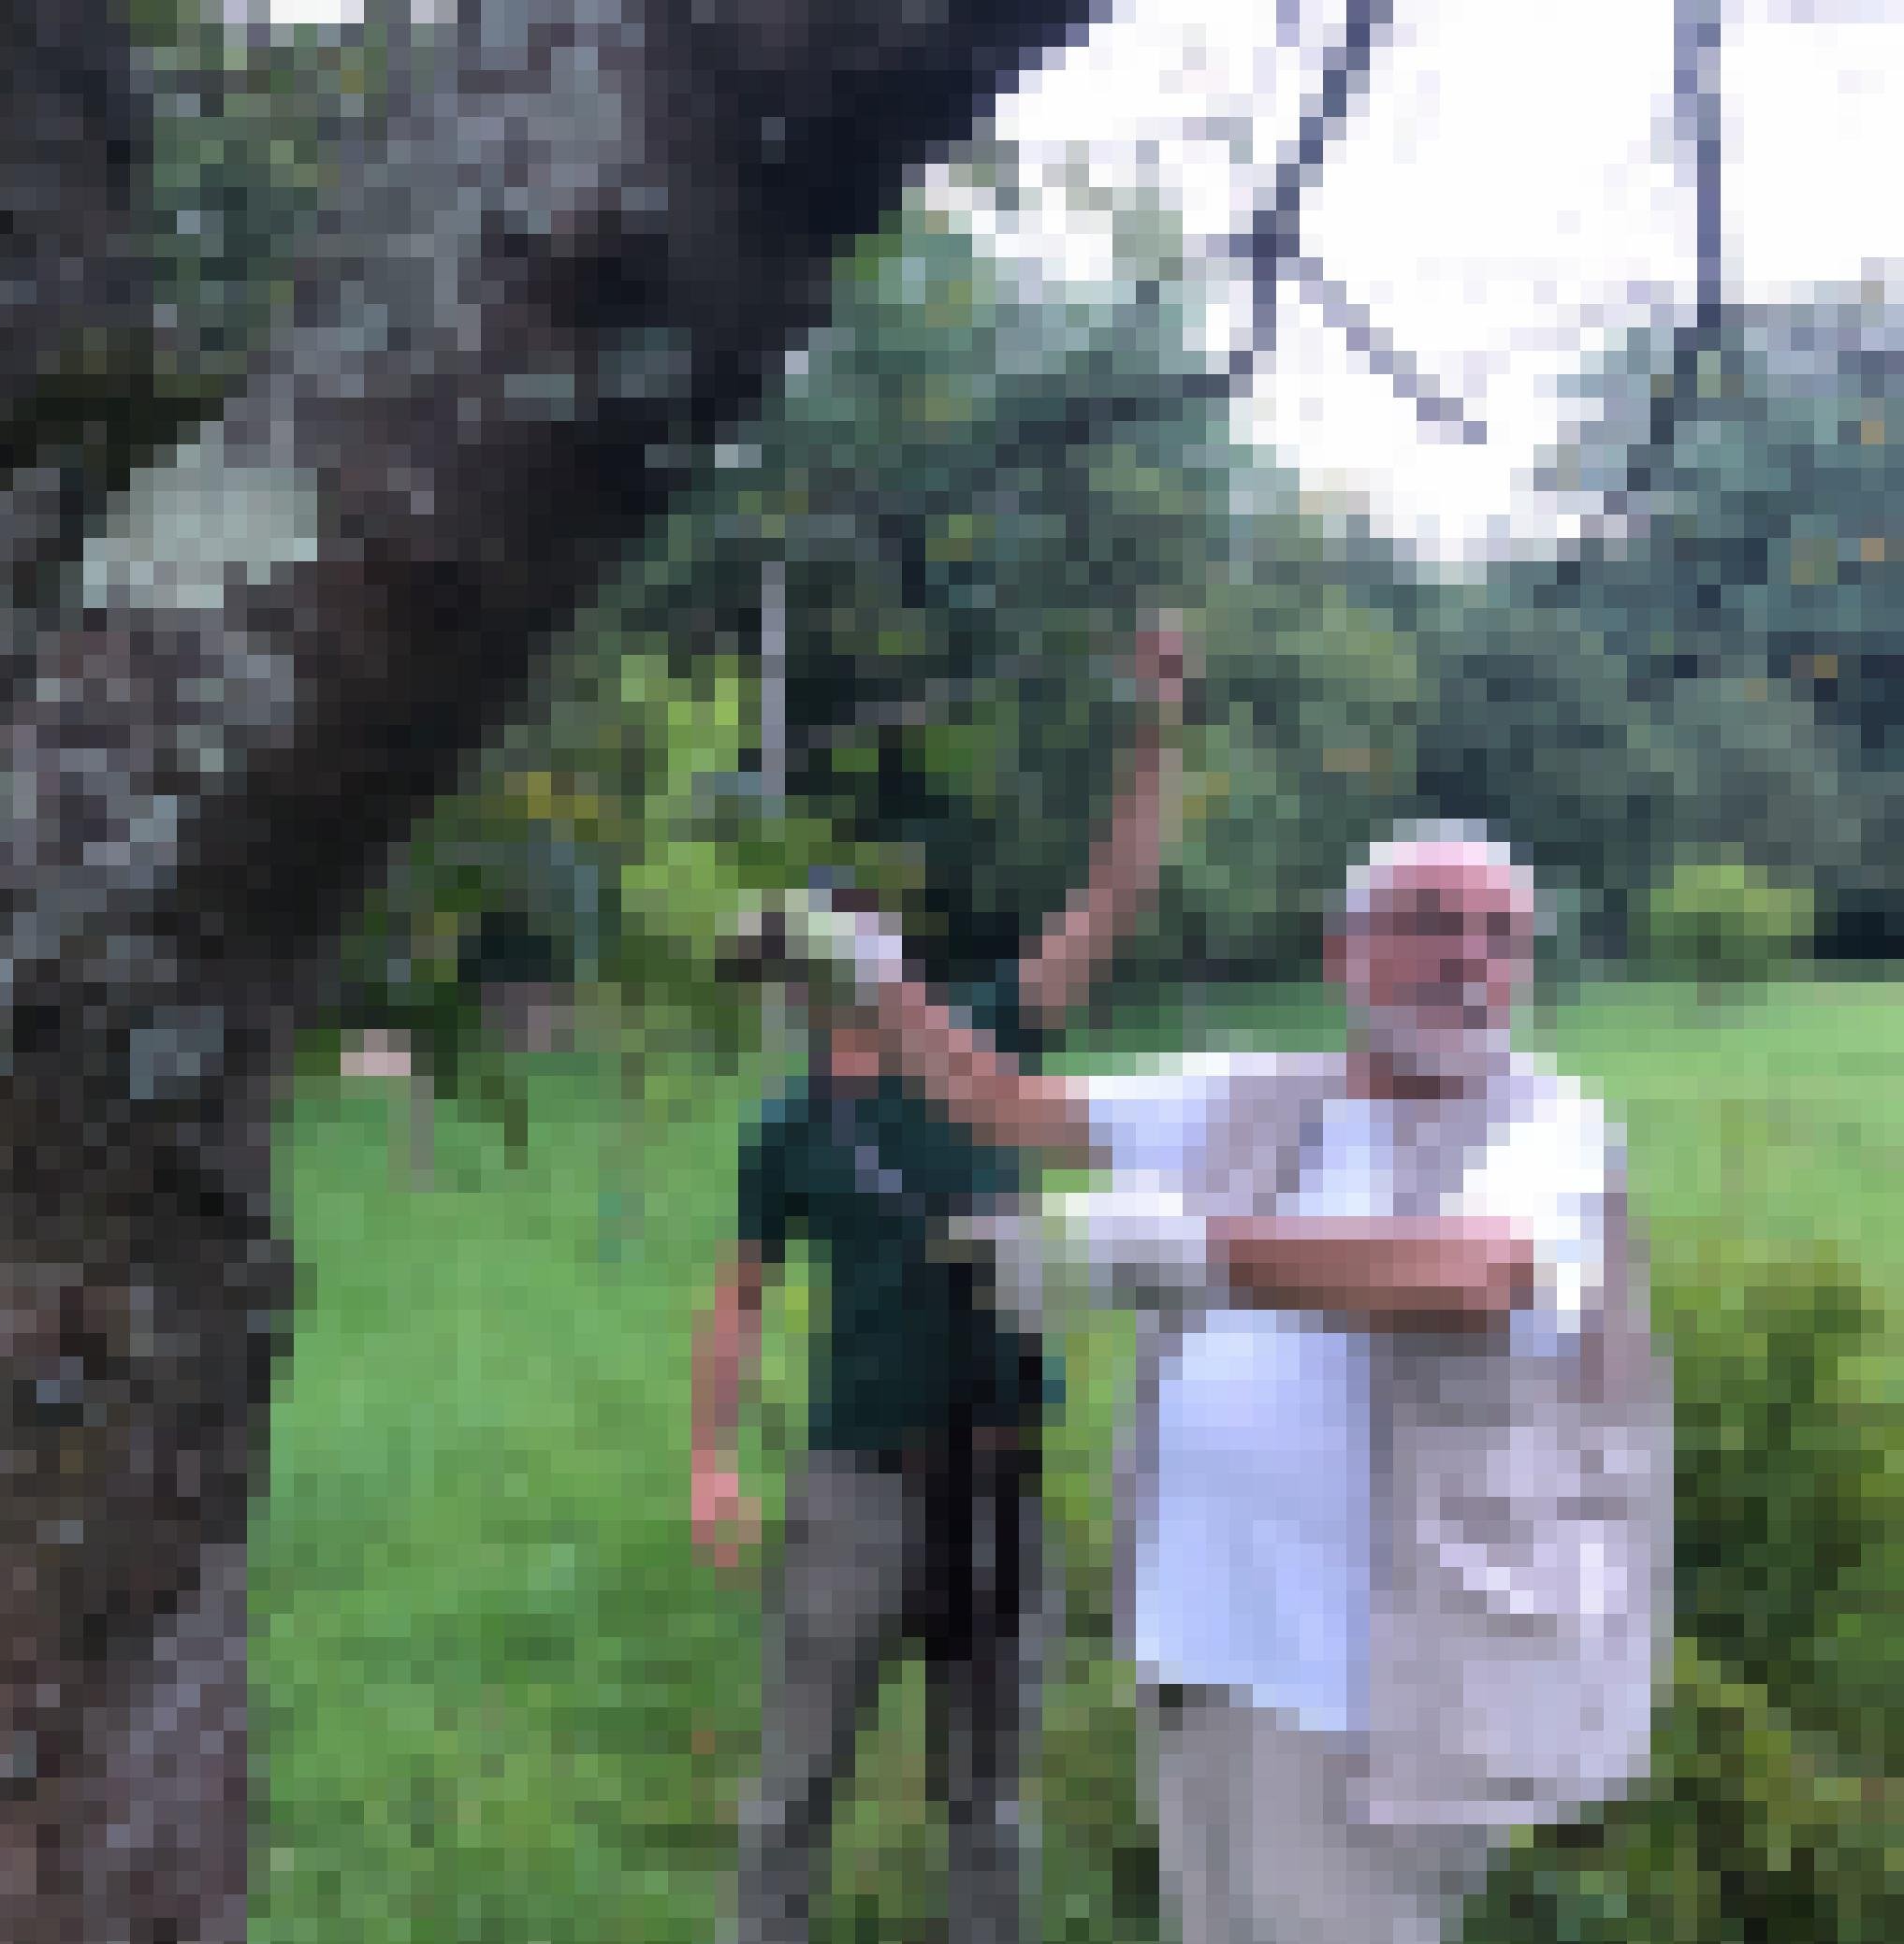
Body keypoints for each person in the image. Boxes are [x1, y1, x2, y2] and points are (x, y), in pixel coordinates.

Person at [791, 822, 1672, 1944]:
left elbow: (1477, 1267)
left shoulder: (1549, 1126)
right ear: (1341, 952)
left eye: (1501, 935)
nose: (1468, 957)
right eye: (1430, 920)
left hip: (1371, 1698)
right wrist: (881, 983)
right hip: (1202, 1644)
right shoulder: (1253, 1094)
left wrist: (1190, 1250)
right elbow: (1005, 1105)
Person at [695, 619, 1191, 1944]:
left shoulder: (989, 1039)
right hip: (854, 1482)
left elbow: (1112, 898)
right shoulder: (783, 1129)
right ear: (798, 975)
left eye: (861, 940)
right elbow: (737, 1298)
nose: (846, 967)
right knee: (794, 1785)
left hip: (1003, 1478)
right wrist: (710, 1457)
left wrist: (1153, 725)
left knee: (988, 1802)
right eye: (817, 951)